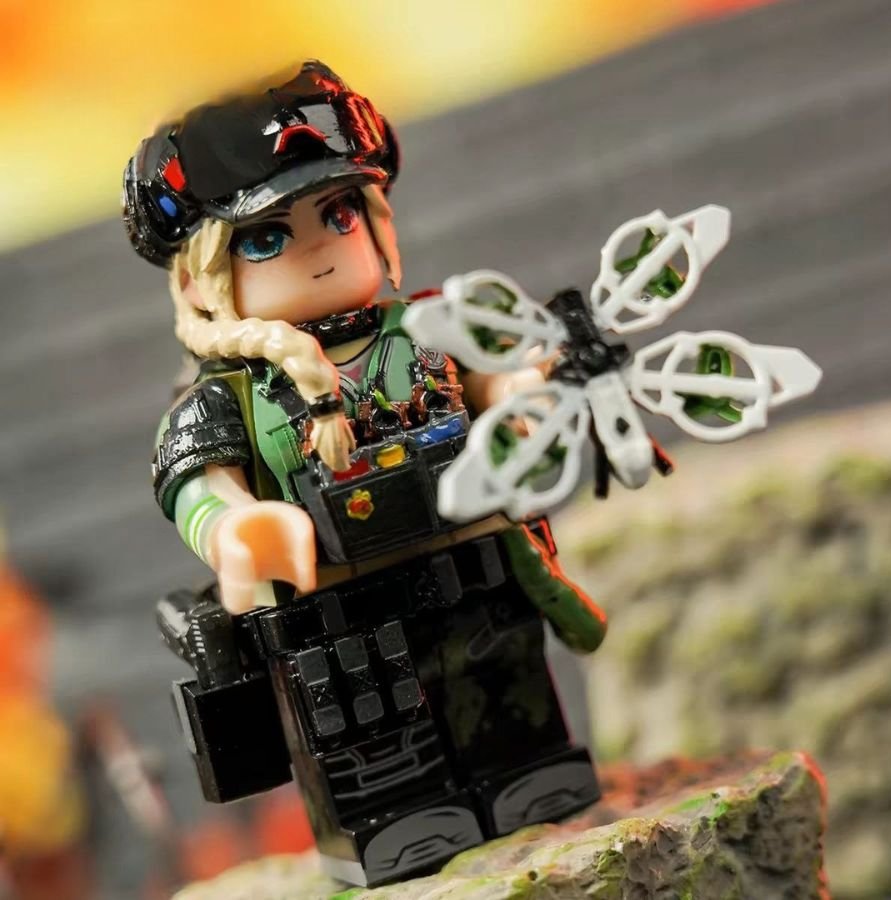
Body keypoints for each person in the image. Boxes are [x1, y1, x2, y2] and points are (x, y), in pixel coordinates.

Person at [123, 60, 607, 887]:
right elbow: (195, 484)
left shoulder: (426, 331)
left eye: (338, 214)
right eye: (267, 238)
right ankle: (396, 819)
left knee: (501, 680)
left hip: (471, 564)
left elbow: (497, 390)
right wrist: (238, 528)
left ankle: (524, 772)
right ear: (204, 278)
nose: (317, 246)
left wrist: (530, 397)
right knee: (369, 727)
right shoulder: (230, 394)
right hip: (337, 610)